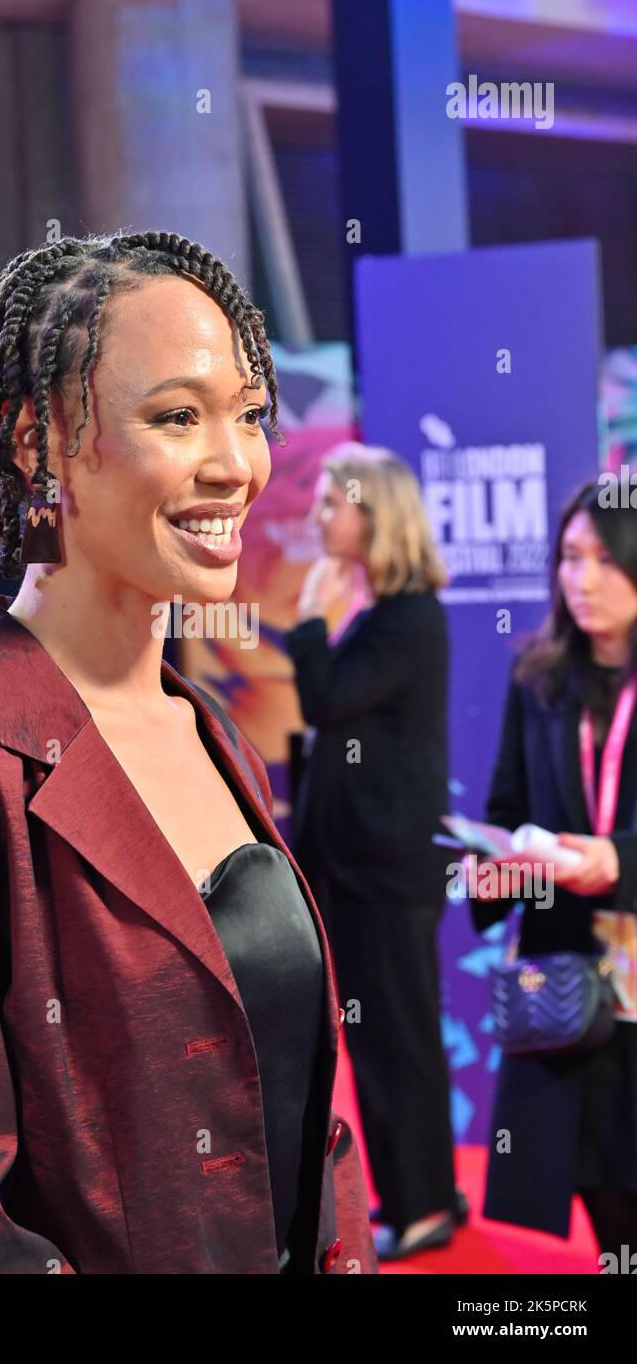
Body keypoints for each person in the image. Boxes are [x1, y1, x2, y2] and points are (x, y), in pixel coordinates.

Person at [0, 232, 377, 1275]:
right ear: (36, 441)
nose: (235, 464)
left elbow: (302, 1119)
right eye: (175, 416)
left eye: (249, 416)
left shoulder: (212, 733)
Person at [285, 443, 463, 1261]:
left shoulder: (408, 617)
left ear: (373, 512)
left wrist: (311, 622)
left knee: (399, 1042)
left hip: (385, 874)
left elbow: (325, 701)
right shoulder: (385, 613)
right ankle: (422, 1193)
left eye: (331, 502)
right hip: (359, 871)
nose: (318, 516)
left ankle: (423, 1205)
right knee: (391, 1040)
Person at [468, 476, 637, 1255]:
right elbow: (505, 809)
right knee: (602, 1191)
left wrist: (615, 860)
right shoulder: (536, 679)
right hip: (570, 987)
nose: (583, 578)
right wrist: (494, 867)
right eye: (571, 557)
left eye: (606, 558)